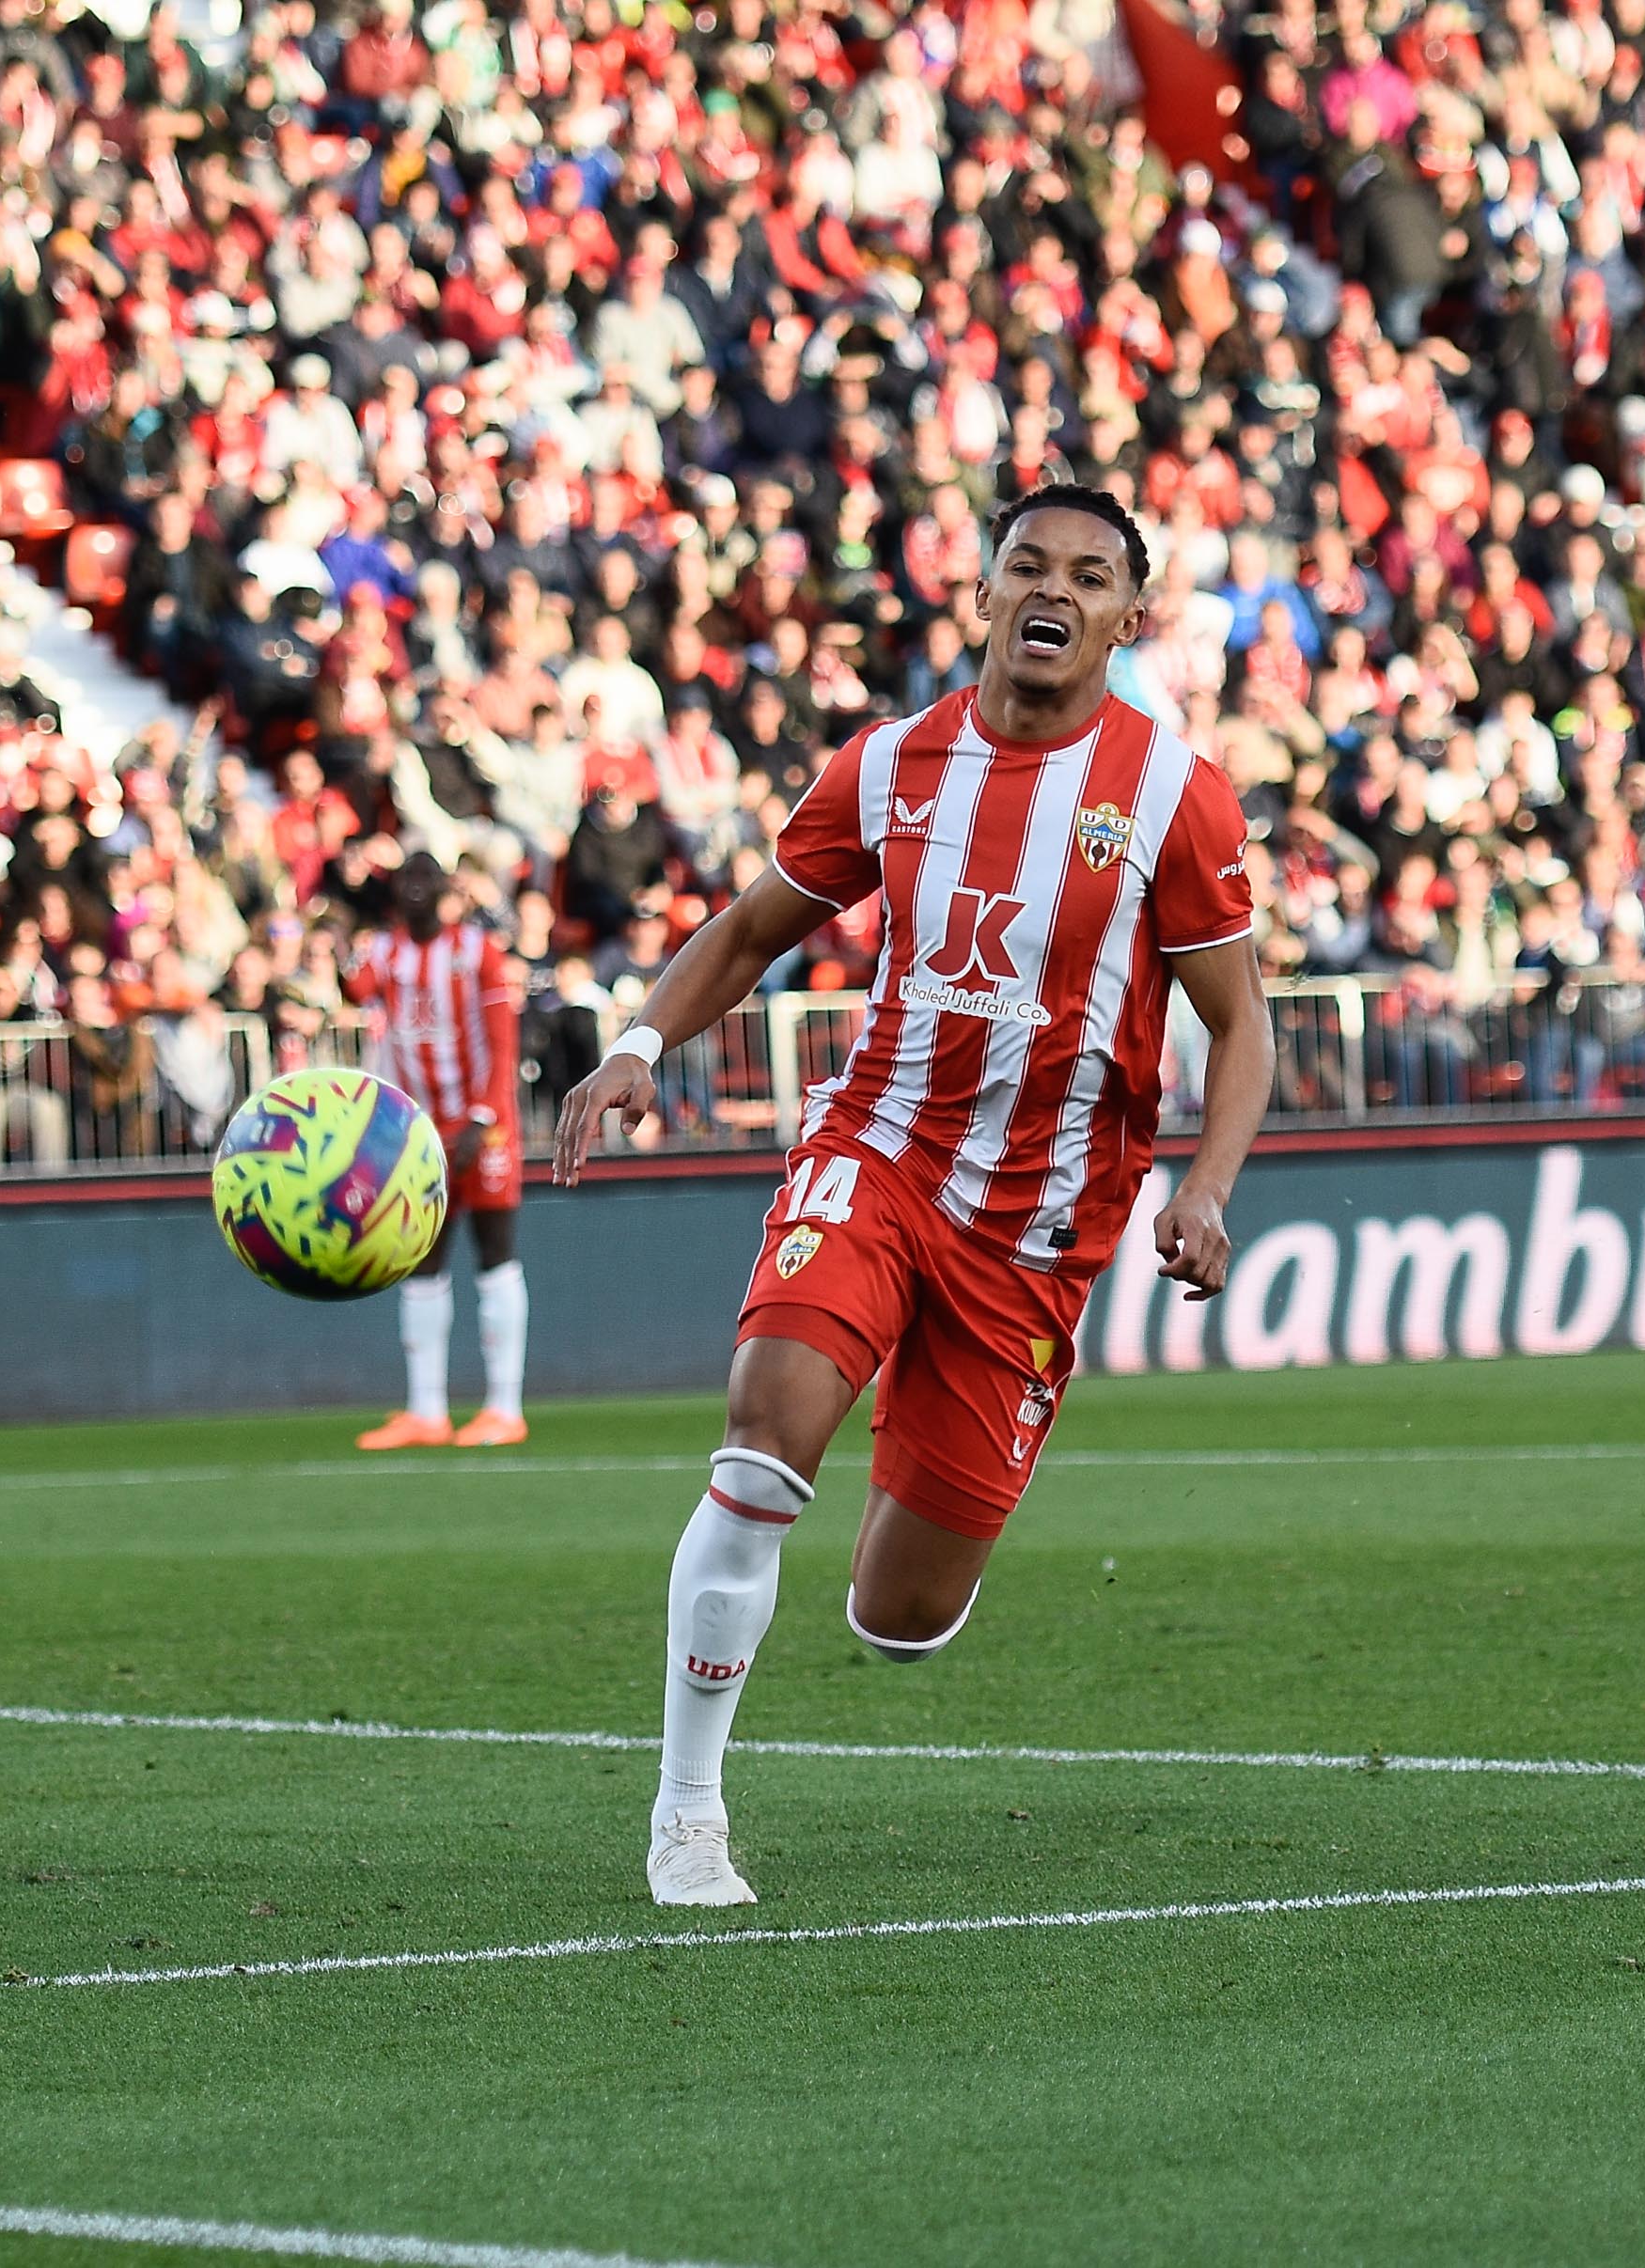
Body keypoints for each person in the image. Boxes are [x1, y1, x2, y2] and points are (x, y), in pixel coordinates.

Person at [555, 486, 1271, 1908]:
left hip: (1042, 1226)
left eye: (1087, 574)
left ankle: (919, 1472)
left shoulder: (1172, 793)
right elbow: (754, 927)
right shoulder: (890, 763)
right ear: (989, 595)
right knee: (763, 1445)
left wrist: (1207, 1184)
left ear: (1128, 620)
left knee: (900, 1619)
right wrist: (638, 1045)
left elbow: (1239, 1021)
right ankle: (686, 1813)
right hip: (876, 1152)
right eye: (1026, 564)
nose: (1050, 588)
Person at [345, 852, 530, 1448]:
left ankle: (504, 1407)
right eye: (408, 879)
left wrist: (481, 1118)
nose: (417, 888)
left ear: (446, 890)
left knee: (494, 1253)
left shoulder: (477, 951)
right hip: (419, 1132)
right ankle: (426, 1411)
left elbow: (504, 1044)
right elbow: (351, 987)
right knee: (421, 1257)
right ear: (396, 890)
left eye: (428, 878)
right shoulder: (383, 952)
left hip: (484, 1123)